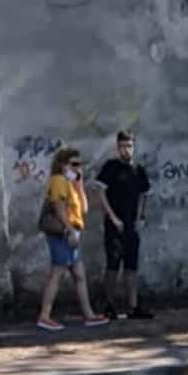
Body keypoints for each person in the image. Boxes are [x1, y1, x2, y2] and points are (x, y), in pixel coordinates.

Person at [37, 147, 109, 331]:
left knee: (79, 275)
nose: (78, 168)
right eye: (74, 164)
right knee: (58, 272)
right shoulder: (58, 181)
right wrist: (70, 230)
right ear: (63, 165)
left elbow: (83, 208)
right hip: (62, 232)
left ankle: (89, 315)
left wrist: (79, 183)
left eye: (80, 164)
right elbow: (59, 208)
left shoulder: (70, 183)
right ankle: (44, 316)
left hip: (72, 231)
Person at [95, 129, 154, 319]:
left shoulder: (138, 170)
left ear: (133, 146)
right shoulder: (110, 168)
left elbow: (143, 196)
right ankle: (109, 305)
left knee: (131, 267)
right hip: (114, 225)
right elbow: (101, 193)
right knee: (113, 266)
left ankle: (134, 306)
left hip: (131, 225)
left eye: (129, 146)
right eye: (122, 146)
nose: (126, 150)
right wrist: (112, 217)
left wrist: (139, 218)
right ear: (117, 147)